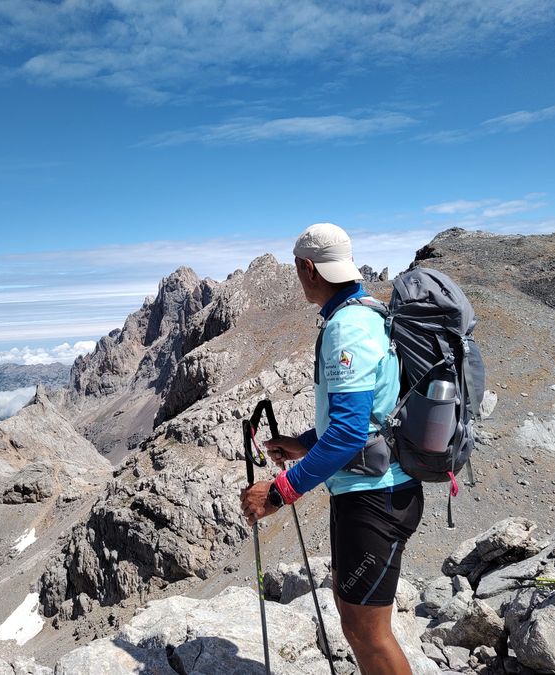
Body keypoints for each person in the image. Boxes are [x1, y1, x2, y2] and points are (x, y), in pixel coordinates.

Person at [240, 222, 423, 675]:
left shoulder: (347, 328)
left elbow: (347, 434)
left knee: (368, 632)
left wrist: (279, 492)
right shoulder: (365, 312)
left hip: (375, 497)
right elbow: (367, 415)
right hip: (368, 492)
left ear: (308, 268)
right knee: (353, 619)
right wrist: (302, 444)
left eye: (296, 270)